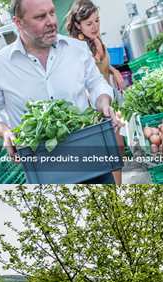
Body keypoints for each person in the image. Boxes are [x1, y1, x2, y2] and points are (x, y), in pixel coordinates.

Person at [0, 0, 122, 184]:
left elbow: (96, 84)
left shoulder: (77, 49)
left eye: (52, 13)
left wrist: (103, 102)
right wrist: (5, 132)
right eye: (40, 16)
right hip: (45, 174)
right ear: (19, 23)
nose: (51, 21)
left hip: (91, 162)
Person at [66, 0, 127, 184]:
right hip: (95, 108)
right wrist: (95, 107)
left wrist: (114, 71)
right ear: (78, 25)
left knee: (120, 149)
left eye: (97, 20)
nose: (95, 27)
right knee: (112, 154)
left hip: (107, 100)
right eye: (89, 23)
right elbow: (80, 83)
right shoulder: (78, 48)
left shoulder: (96, 39)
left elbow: (100, 67)